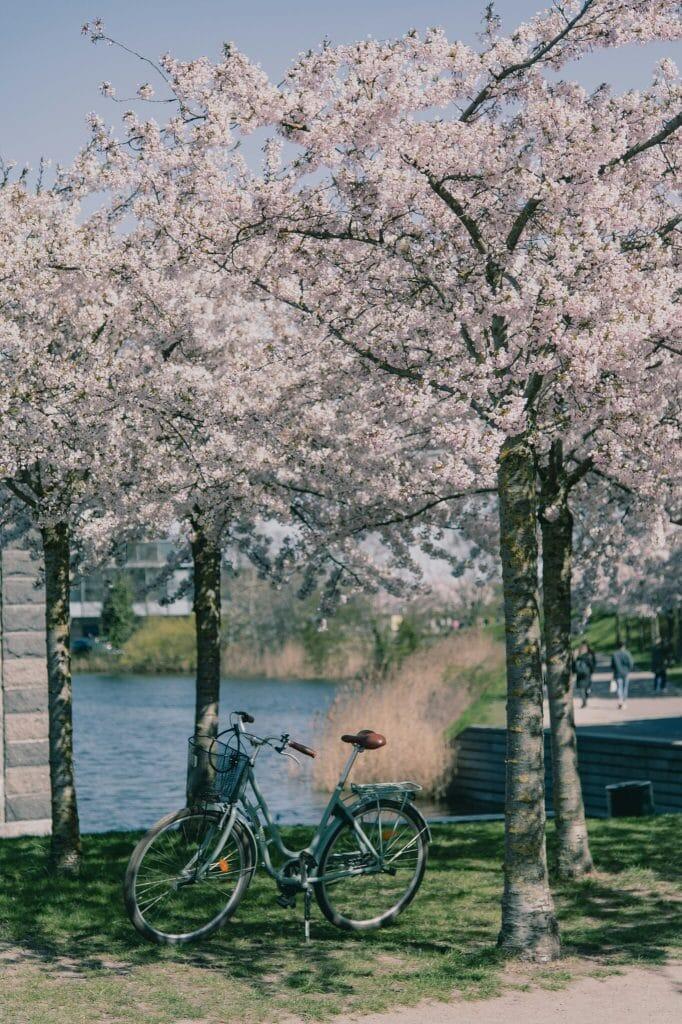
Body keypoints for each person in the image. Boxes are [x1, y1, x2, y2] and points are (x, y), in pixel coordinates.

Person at [611, 641, 634, 709]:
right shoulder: (627, 653)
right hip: (626, 673)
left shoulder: (615, 654)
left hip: (617, 673)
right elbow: (631, 663)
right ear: (624, 646)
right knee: (625, 688)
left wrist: (614, 670)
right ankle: (624, 702)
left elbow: (612, 665)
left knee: (619, 687)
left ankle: (620, 700)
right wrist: (629, 670)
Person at [574, 642, 597, 708]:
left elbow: (574, 665)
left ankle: (584, 701)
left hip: (580, 674)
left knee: (583, 688)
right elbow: (591, 665)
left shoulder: (578, 656)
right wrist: (592, 671)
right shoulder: (588, 656)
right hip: (586, 674)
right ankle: (584, 701)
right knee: (585, 688)